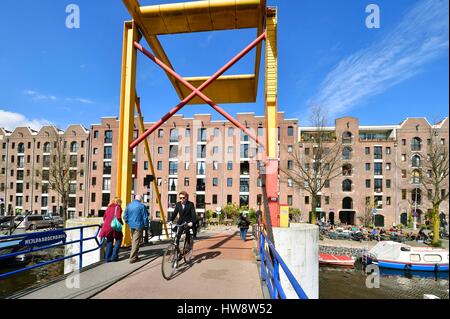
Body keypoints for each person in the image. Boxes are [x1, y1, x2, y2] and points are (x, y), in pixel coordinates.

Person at [124, 194, 149, 264]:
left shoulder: (129, 205)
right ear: (140, 199)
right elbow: (145, 217)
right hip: (139, 226)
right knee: (136, 241)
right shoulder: (142, 206)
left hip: (131, 225)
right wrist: (146, 225)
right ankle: (132, 258)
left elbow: (125, 216)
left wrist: (128, 222)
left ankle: (135, 256)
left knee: (134, 240)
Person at [99, 197, 123, 262]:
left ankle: (107, 258)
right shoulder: (117, 207)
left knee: (110, 241)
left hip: (106, 227)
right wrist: (121, 223)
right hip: (114, 227)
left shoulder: (108, 207)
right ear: (118, 202)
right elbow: (118, 217)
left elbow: (104, 218)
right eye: (120, 202)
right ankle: (114, 256)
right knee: (119, 239)